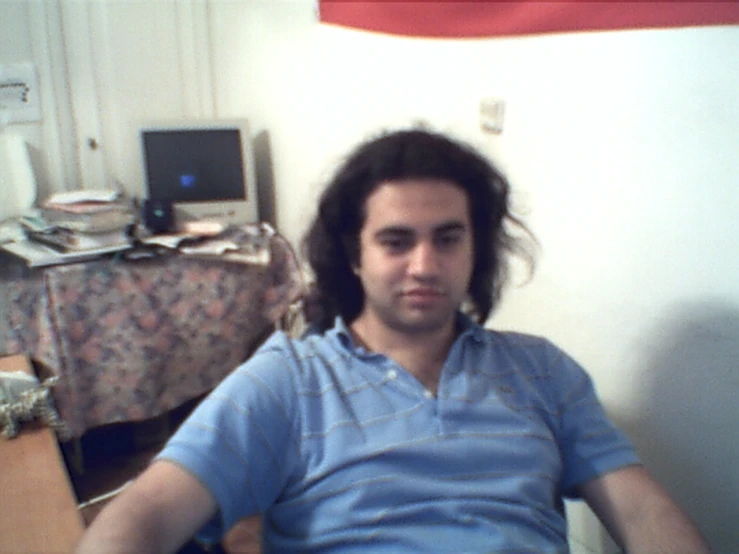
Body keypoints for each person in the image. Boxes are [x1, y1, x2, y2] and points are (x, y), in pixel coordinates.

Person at [76, 128, 710, 554]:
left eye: (448, 237)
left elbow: (643, 513)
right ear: (354, 254)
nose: (425, 265)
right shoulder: (288, 381)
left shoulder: (544, 372)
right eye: (397, 240)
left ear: (476, 248)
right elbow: (146, 515)